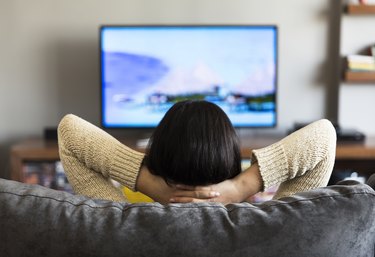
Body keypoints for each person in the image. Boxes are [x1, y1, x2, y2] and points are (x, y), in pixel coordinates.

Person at [57, 100, 337, 205]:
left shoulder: (121, 224)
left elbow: (69, 131)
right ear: (230, 164)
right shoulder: (270, 227)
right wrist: (240, 188)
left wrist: (152, 186)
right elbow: (324, 135)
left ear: (158, 158)